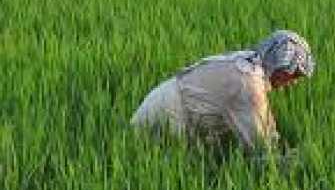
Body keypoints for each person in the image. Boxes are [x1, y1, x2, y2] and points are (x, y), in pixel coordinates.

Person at [130, 30, 315, 153]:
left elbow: (264, 122)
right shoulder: (248, 82)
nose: (293, 82)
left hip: (165, 102)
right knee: (166, 165)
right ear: (278, 64)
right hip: (165, 115)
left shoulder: (250, 65)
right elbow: (259, 146)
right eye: (293, 74)